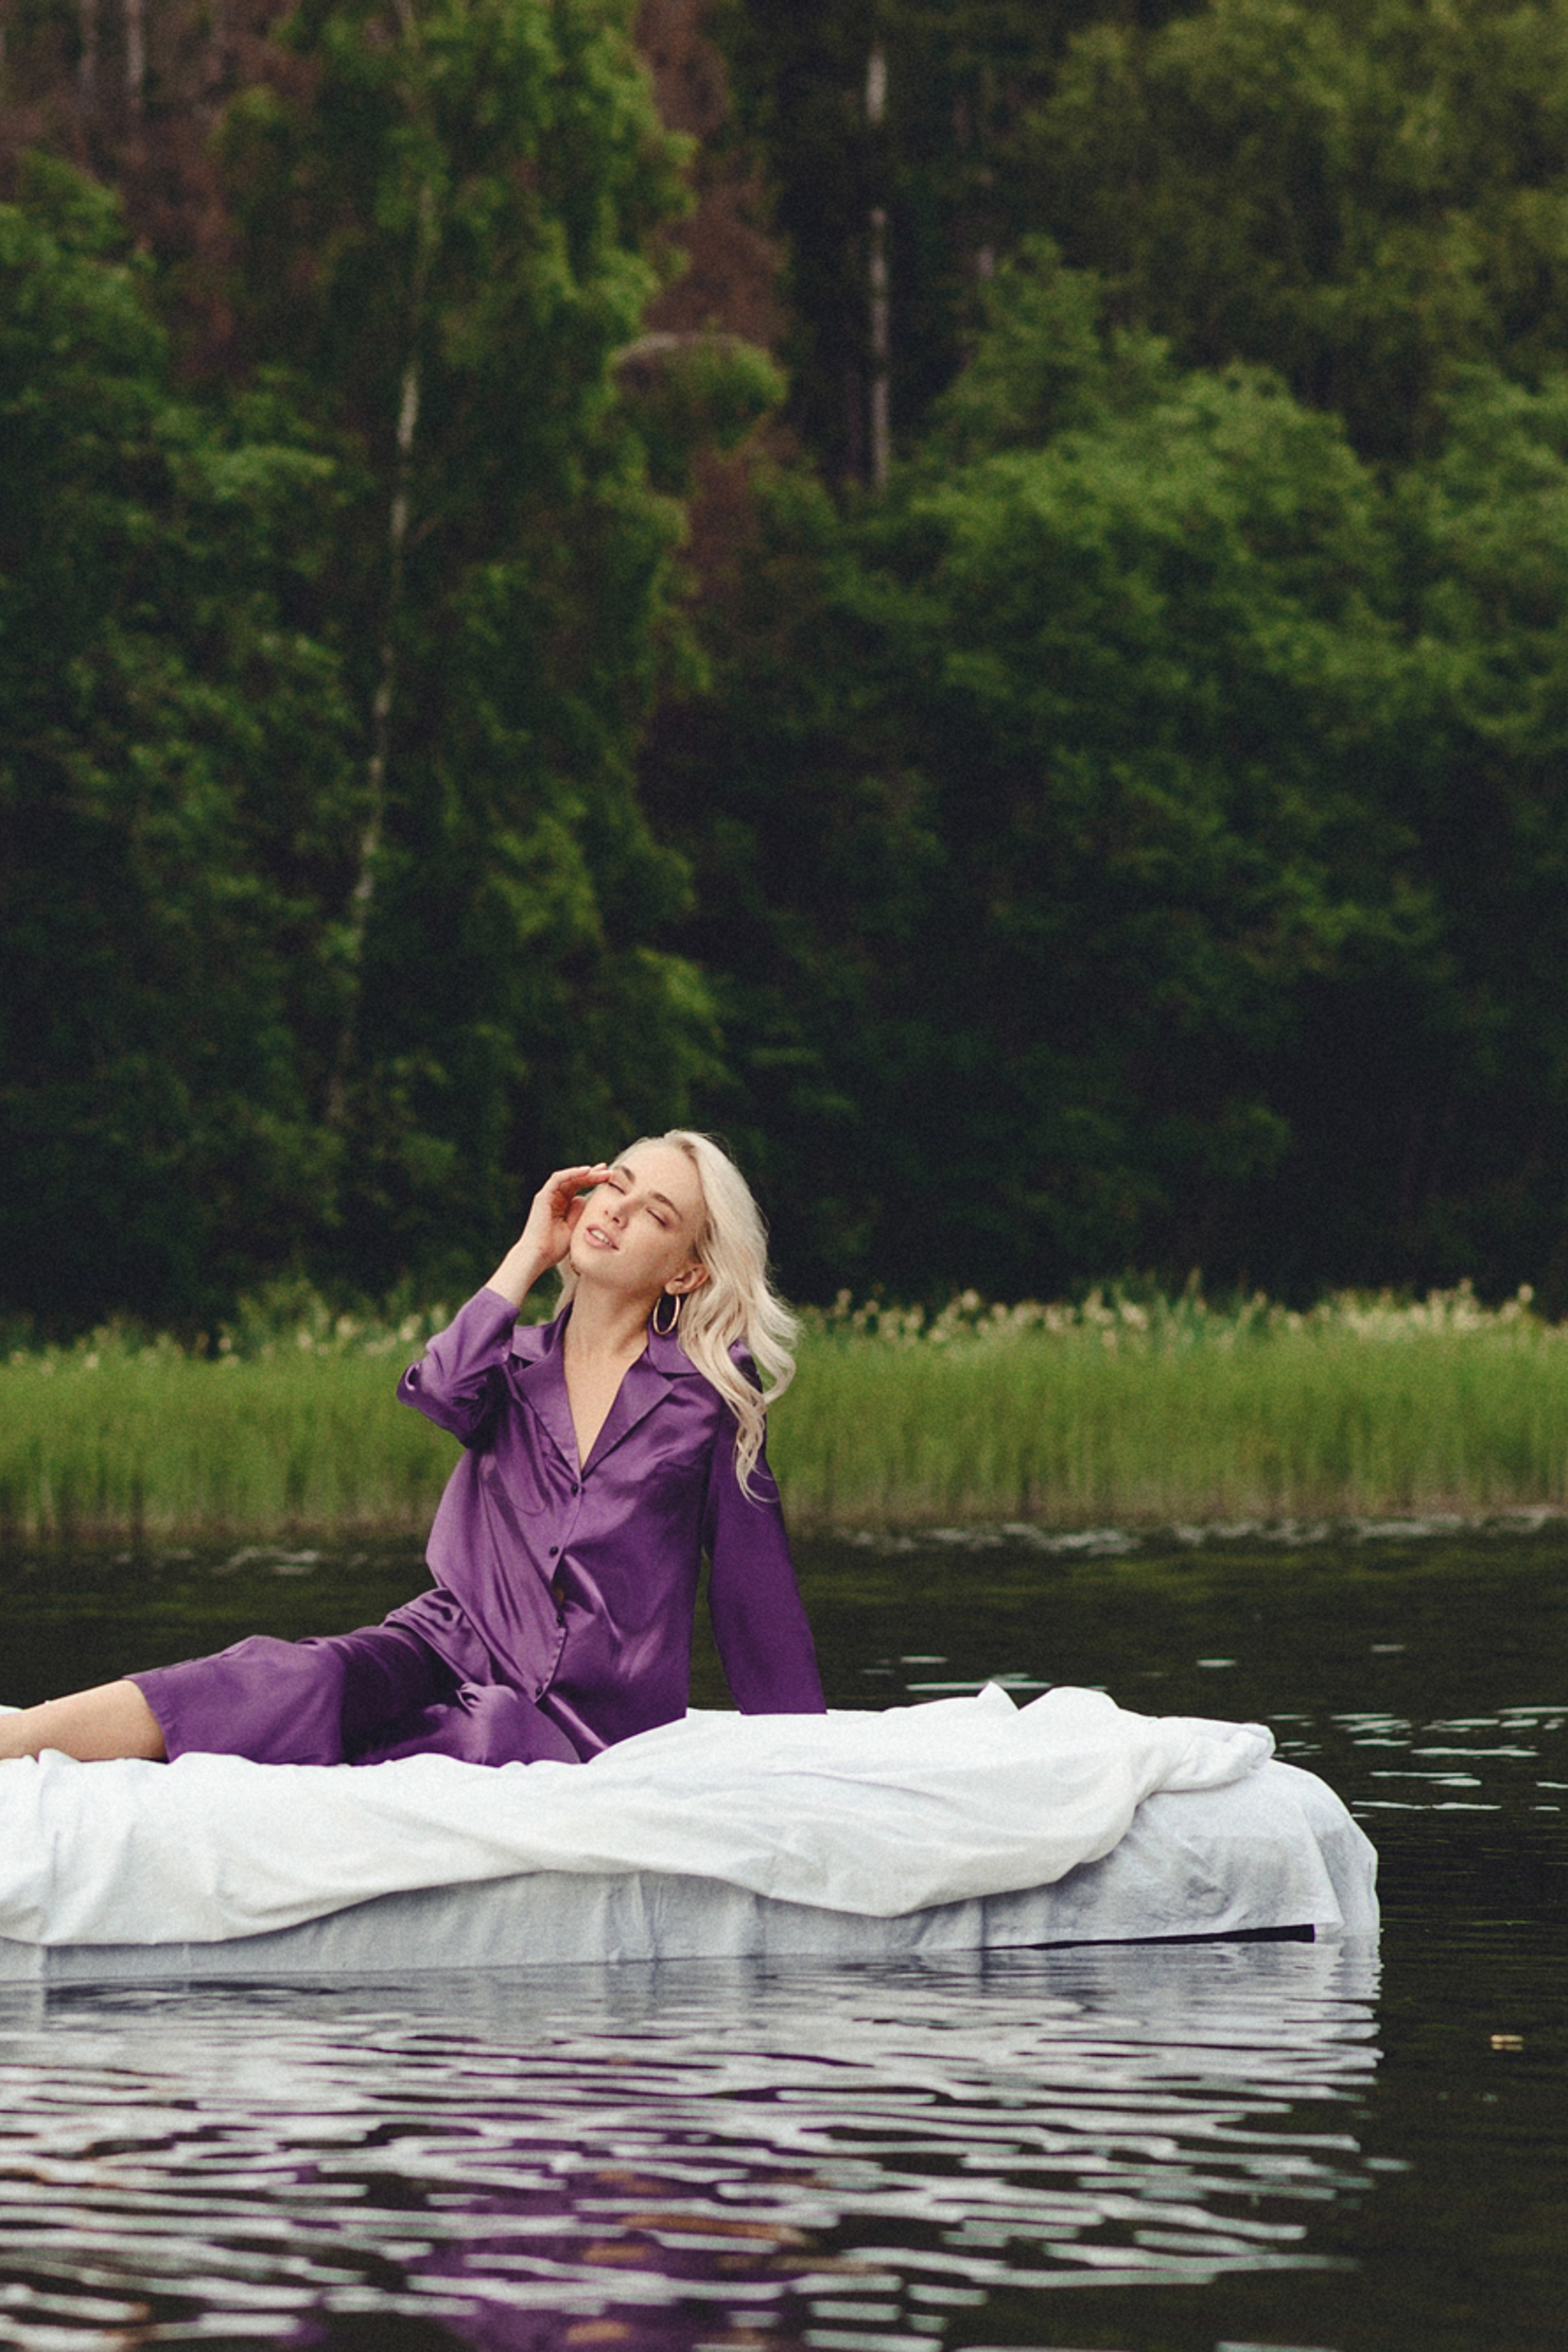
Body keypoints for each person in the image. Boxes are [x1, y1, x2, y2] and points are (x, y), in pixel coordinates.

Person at [0, 1133, 825, 1769]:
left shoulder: (707, 1403)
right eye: (617, 1184)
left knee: (496, 1731)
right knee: (301, 1678)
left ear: (684, 1274)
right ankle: (20, 1739)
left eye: (656, 1213)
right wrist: (528, 1254)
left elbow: (760, 1606)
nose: (616, 1209)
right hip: (444, 1644)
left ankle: (321, 1755)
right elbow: (438, 1389)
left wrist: (804, 1765)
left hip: (584, 1714)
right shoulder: (512, 1361)